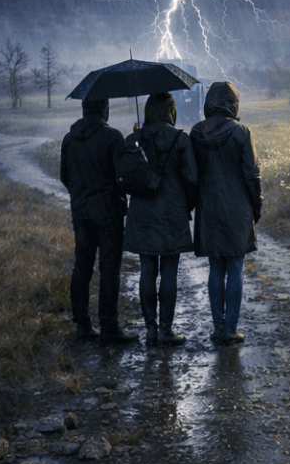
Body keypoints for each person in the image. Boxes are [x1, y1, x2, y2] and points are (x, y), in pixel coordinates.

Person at [122, 92, 198, 346]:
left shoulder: (135, 139)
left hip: (142, 212)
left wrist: (135, 139)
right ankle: (166, 329)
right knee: (169, 271)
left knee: (146, 269)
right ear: (171, 111)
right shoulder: (180, 139)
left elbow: (125, 177)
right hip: (172, 213)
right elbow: (191, 180)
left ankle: (150, 330)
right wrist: (186, 207)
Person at [191, 82, 262, 347]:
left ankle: (217, 326)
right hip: (238, 209)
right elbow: (252, 175)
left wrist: (192, 204)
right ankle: (231, 328)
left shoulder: (196, 133)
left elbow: (191, 174)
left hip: (208, 209)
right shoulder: (242, 132)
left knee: (215, 267)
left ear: (208, 103)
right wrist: (257, 206)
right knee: (235, 266)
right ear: (234, 103)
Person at [60, 98, 137, 344]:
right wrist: (133, 147)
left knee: (81, 268)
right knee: (109, 270)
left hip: (81, 212)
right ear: (104, 109)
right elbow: (122, 176)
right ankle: (109, 327)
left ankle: (82, 325)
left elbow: (65, 176)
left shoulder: (69, 139)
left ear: (84, 109)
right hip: (109, 214)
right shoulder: (113, 137)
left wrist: (81, 194)